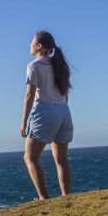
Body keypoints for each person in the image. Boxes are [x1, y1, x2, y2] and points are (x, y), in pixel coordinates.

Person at [20, 29, 73, 199]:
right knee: (62, 160)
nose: (29, 45)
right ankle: (66, 196)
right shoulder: (60, 65)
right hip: (64, 111)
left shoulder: (34, 65)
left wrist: (23, 122)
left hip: (45, 111)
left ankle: (44, 199)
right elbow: (66, 93)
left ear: (39, 46)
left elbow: (29, 95)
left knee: (30, 158)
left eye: (32, 42)